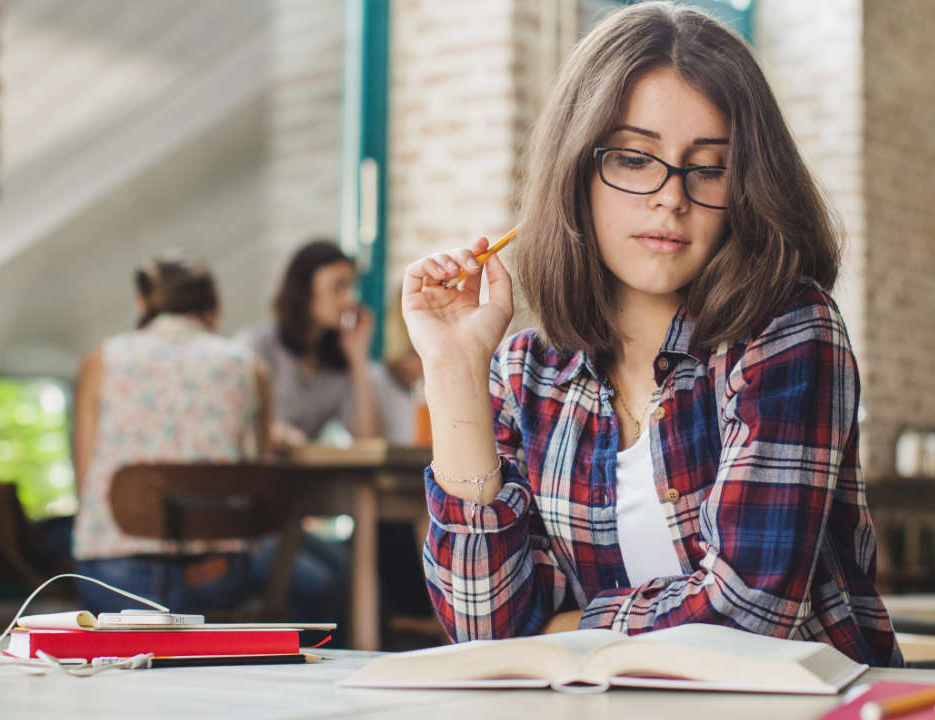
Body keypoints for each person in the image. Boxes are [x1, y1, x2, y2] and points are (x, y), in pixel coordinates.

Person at [401, 2, 900, 666]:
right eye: (636, 160)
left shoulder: (788, 331)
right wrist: (455, 372)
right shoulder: (528, 371)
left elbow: (747, 613)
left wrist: (562, 632)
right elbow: (483, 628)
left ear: (747, 183)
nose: (672, 196)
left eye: (710, 167)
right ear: (577, 171)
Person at [72, 256, 271, 612]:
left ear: (143, 303)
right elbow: (259, 472)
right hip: (215, 574)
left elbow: (87, 482)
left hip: (115, 573)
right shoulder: (248, 366)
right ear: (213, 308)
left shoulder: (103, 359)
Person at [236, 240, 381, 451]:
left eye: (352, 287)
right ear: (304, 290)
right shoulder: (256, 345)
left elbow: (368, 441)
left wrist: (359, 357)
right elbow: (239, 422)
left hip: (303, 477)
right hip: (256, 474)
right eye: (339, 287)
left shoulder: (336, 361)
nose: (350, 299)